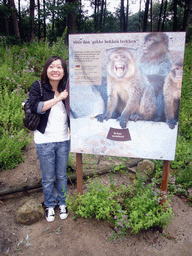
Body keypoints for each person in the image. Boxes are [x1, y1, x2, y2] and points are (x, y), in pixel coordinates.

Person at [29, 56, 70, 222]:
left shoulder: (66, 88)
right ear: (46, 69)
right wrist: (58, 98)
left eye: (59, 67)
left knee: (61, 175)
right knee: (47, 177)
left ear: (63, 71)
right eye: (52, 66)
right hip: (44, 140)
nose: (55, 70)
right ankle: (50, 205)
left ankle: (62, 202)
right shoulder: (38, 86)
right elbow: (36, 107)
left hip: (63, 139)